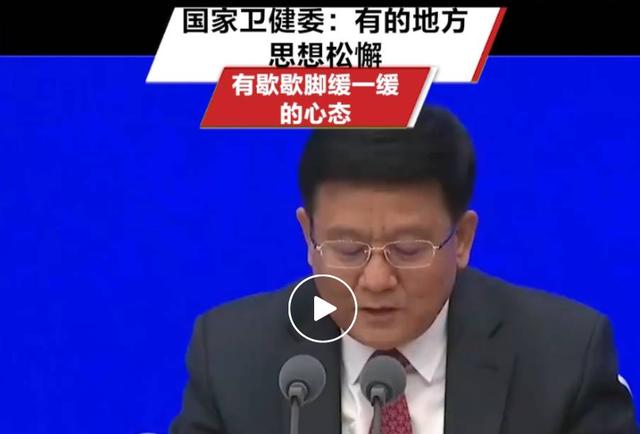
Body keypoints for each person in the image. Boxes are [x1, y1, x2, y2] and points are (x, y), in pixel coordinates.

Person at [170, 105, 637, 434]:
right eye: (348, 249)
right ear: (308, 238)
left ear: (463, 240)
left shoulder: (564, 359)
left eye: (409, 249)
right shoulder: (232, 355)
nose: (376, 281)